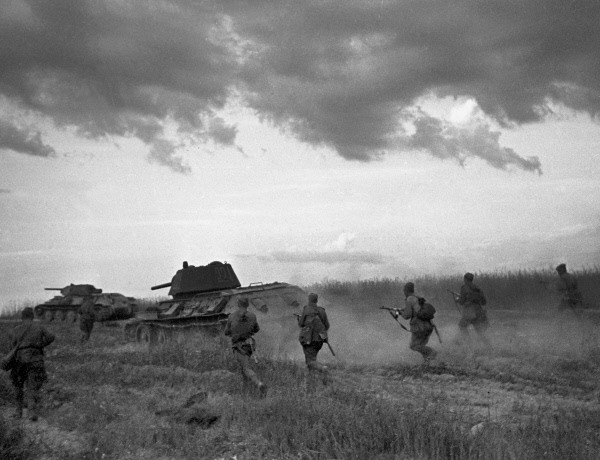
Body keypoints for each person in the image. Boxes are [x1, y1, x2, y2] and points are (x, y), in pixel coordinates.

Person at [8, 307, 55, 421]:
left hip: (19, 361)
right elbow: (51, 337)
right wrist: (40, 345)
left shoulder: (16, 329)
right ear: (32, 316)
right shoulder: (39, 327)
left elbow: (12, 347)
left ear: (22, 317)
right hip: (35, 360)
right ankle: (31, 413)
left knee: (18, 387)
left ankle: (18, 413)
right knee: (32, 387)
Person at [224, 297, 267, 397]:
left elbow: (226, 332)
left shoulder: (232, 316)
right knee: (243, 367)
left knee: (246, 368)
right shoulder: (252, 315)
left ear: (238, 305)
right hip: (250, 345)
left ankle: (259, 384)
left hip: (239, 346)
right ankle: (246, 392)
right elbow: (256, 329)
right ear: (247, 305)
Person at [398, 282, 437, 365]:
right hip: (428, 326)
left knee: (414, 346)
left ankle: (432, 352)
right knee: (421, 346)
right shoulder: (418, 298)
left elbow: (407, 315)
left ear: (406, 290)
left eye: (404, 291)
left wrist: (399, 313)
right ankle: (426, 364)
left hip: (419, 327)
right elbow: (416, 310)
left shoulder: (409, 299)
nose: (404, 293)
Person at [297, 293, 330, 386]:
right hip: (319, 340)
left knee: (310, 361)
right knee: (312, 359)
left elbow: (301, 324)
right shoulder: (322, 311)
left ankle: (323, 369)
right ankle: (312, 382)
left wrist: (300, 320)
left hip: (309, 340)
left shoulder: (306, 309)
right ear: (317, 300)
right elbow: (326, 326)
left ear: (309, 300)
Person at [454, 272, 491, 349]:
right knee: (479, 332)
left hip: (470, 312)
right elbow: (484, 302)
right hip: (479, 312)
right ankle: (489, 347)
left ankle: (470, 345)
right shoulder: (478, 288)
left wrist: (457, 299)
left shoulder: (464, 287)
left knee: (462, 326)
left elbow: (461, 302)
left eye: (464, 279)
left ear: (465, 279)